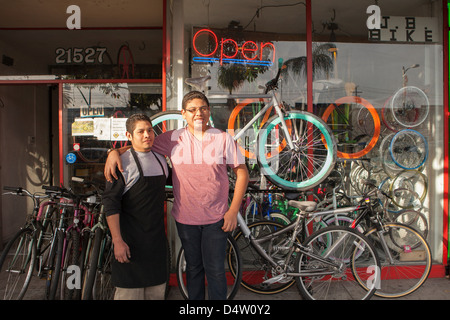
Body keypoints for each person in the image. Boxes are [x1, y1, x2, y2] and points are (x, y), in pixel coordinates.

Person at [104, 91, 249, 300]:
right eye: (192, 110)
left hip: (217, 217)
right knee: (193, 268)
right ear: (183, 113)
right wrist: (113, 152)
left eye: (203, 108)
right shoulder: (172, 138)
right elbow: (142, 144)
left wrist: (233, 210)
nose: (198, 113)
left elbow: (242, 172)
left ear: (209, 111)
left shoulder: (223, 138)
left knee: (216, 270)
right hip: (186, 218)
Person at [102, 113, 169, 300]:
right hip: (128, 245)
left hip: (155, 246)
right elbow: (111, 204)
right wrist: (117, 241)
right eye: (140, 131)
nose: (147, 134)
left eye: (149, 130)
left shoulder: (161, 161)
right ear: (129, 136)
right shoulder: (121, 164)